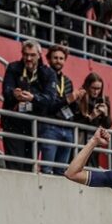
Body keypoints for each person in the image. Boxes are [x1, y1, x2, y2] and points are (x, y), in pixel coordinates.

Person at [0, 39, 57, 170]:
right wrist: (14, 94)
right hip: (13, 124)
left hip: (35, 127)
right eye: (25, 54)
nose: (28, 58)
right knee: (14, 166)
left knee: (29, 167)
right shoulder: (13, 68)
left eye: (32, 55)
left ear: (39, 54)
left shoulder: (48, 73)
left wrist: (33, 98)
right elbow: (6, 91)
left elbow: (50, 100)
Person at [38, 45, 82, 174]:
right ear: (49, 59)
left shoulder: (67, 81)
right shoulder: (43, 77)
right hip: (50, 126)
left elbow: (70, 106)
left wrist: (76, 100)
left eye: (61, 58)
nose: (58, 61)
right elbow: (48, 105)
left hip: (67, 128)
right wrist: (67, 100)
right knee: (46, 169)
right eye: (55, 58)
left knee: (61, 172)